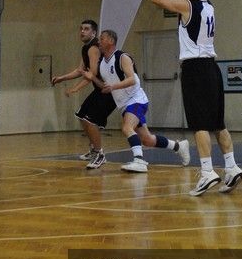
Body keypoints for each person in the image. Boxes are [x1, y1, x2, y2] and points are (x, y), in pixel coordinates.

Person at [150, 0, 242, 196]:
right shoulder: (207, 5)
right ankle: (231, 167)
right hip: (212, 68)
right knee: (218, 123)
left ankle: (207, 172)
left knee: (200, 124)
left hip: (195, 70)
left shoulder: (186, 6)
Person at [81, 29, 190, 173]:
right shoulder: (102, 64)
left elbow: (132, 79)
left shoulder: (122, 57)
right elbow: (105, 87)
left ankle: (139, 161)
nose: (99, 41)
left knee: (127, 128)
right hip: (124, 104)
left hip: (136, 99)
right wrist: (93, 78)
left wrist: (113, 86)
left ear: (111, 41)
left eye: (102, 38)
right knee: (147, 140)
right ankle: (179, 147)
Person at [51, 20, 115, 170]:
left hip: (108, 90)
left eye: (86, 29)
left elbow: (91, 74)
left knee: (90, 120)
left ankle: (99, 154)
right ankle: (93, 149)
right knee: (81, 115)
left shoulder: (93, 48)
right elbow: (80, 70)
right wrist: (62, 78)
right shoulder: (86, 47)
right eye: (81, 29)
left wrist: (76, 88)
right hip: (99, 90)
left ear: (94, 33)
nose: (82, 31)